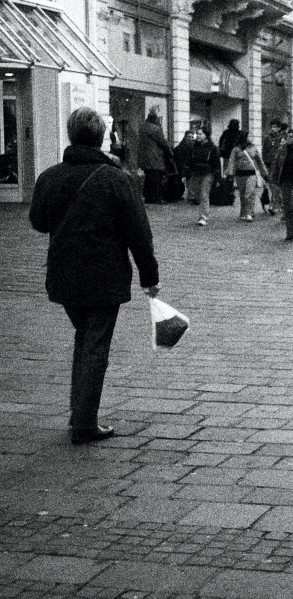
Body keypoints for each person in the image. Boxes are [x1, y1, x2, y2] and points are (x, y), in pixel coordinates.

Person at [29, 107, 160, 445]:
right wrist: (150, 276)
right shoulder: (116, 179)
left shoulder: (50, 176)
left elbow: (39, 222)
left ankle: (79, 412)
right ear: (101, 137)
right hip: (104, 277)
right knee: (95, 345)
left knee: (85, 338)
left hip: (64, 275)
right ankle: (84, 422)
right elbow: (138, 233)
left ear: (71, 134)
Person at [226, 130, 269, 222]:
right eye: (250, 136)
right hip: (240, 175)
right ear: (244, 137)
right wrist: (230, 174)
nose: (251, 138)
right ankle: (243, 212)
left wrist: (265, 174)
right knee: (242, 194)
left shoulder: (253, 148)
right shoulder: (236, 149)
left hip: (251, 174)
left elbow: (260, 162)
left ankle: (249, 213)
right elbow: (231, 162)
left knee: (249, 194)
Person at [137, 108, 175, 204]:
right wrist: (170, 152)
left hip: (144, 157)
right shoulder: (155, 129)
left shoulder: (142, 127)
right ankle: (156, 198)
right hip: (154, 158)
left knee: (149, 178)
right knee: (156, 179)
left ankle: (148, 197)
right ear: (155, 119)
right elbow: (163, 143)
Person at [186, 126, 221, 226]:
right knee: (197, 195)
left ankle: (203, 217)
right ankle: (203, 213)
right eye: (197, 134)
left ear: (206, 135)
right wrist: (186, 173)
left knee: (204, 195)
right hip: (196, 173)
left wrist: (218, 178)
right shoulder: (193, 147)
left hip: (207, 174)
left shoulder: (213, 148)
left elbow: (216, 164)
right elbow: (189, 161)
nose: (198, 136)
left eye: (200, 134)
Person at [262, 120, 286, 214]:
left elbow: (284, 151)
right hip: (269, 163)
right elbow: (264, 151)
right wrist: (264, 162)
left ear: (279, 128)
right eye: (272, 126)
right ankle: (278, 203)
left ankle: (274, 204)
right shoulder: (267, 138)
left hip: (278, 164)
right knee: (272, 184)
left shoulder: (282, 138)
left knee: (274, 184)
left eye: (275, 127)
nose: (273, 129)